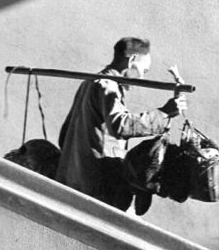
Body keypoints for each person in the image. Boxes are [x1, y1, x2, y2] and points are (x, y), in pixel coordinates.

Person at [55, 37, 186, 215]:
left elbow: (65, 134)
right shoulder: (107, 86)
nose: (142, 77)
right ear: (132, 61)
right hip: (95, 185)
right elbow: (120, 125)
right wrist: (164, 113)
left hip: (71, 179)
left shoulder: (89, 82)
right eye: (144, 70)